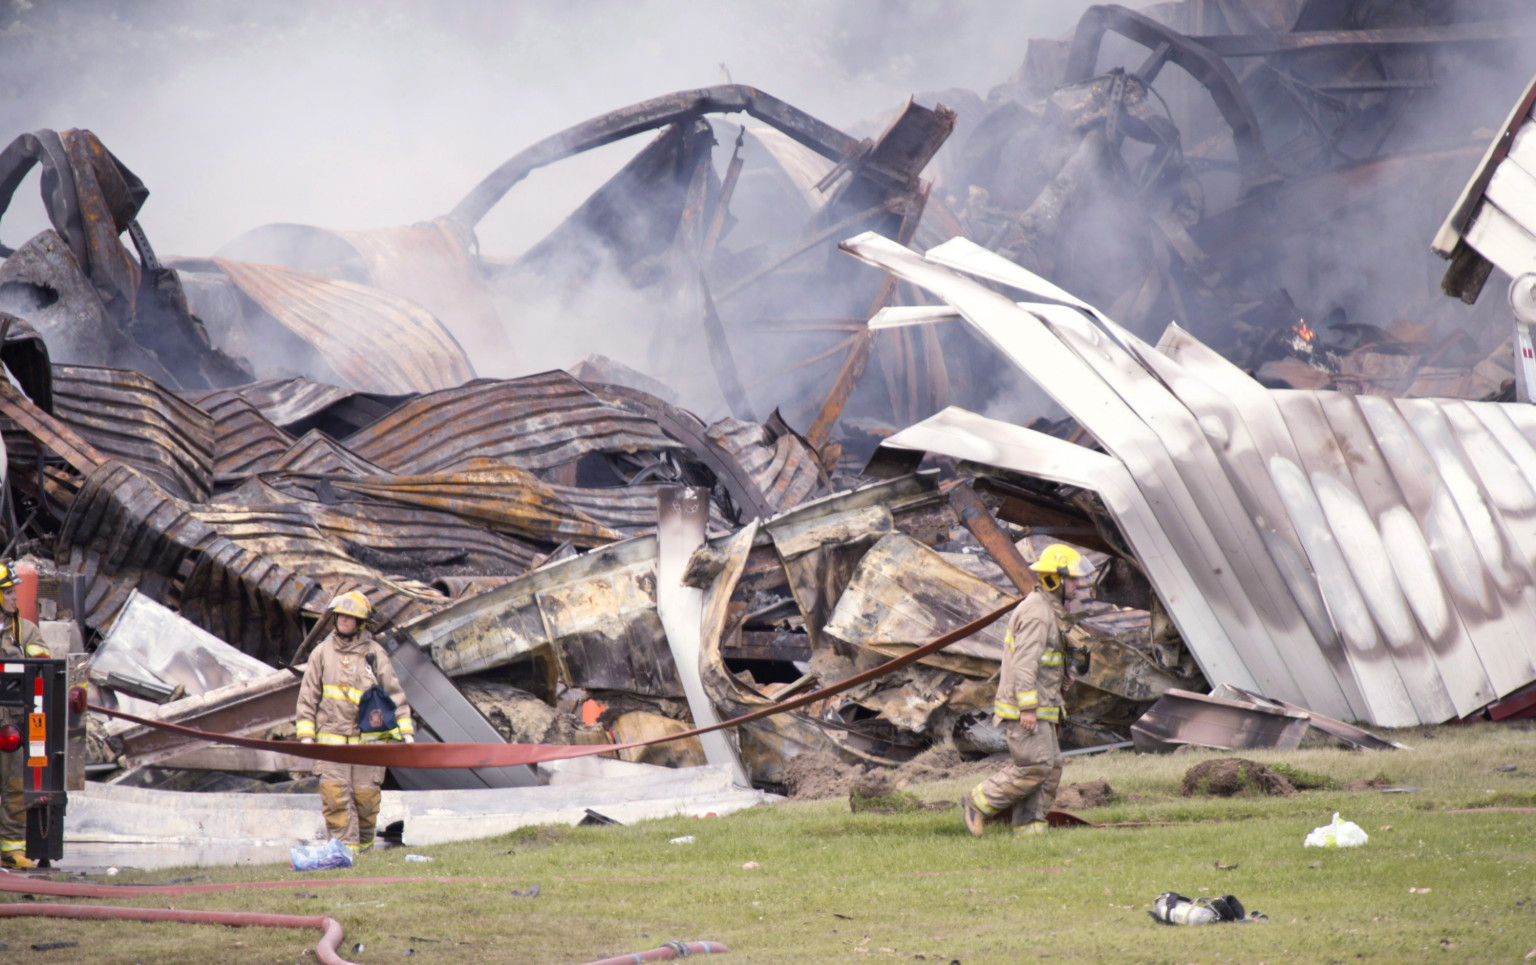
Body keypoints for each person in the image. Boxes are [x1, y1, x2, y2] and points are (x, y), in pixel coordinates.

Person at [962, 544, 1094, 838]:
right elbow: (1024, 664)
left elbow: (1046, 659)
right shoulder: (1037, 613)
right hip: (1027, 708)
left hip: (1045, 703)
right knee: (1034, 767)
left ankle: (1029, 829)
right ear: (1054, 580)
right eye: (1073, 579)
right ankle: (977, 801)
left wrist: (1064, 676)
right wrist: (1028, 709)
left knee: (1050, 767)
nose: (1079, 584)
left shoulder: (1049, 609)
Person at [294, 590, 415, 854]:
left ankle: (365, 851)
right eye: (340, 616)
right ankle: (344, 854)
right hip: (331, 745)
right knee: (336, 800)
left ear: (361, 623)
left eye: (349, 617)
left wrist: (406, 732)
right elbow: (307, 698)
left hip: (368, 747)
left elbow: (394, 695)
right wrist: (307, 736)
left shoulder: (375, 654)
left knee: (366, 801)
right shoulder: (321, 654)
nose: (343, 620)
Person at [0, 561, 47, 869]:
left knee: (15, 785)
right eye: (8, 592)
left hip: (11, 724)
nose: (15, 597)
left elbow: (44, 665)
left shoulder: (25, 631)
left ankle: (11, 850)